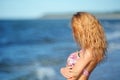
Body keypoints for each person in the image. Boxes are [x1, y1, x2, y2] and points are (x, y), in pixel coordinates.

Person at [60, 12, 107, 80]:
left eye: (74, 28)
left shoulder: (89, 52)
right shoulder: (93, 49)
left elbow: (72, 77)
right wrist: (63, 69)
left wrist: (62, 70)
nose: (73, 32)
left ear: (82, 29)